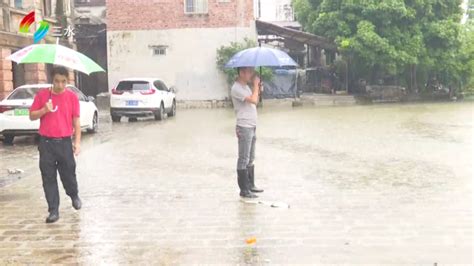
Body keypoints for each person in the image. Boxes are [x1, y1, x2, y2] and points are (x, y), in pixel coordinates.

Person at [29, 66, 82, 223]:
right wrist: (44, 110)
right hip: (46, 144)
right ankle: (53, 210)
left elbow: (76, 121)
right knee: (48, 177)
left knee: (69, 175)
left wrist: (77, 142)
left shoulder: (72, 97)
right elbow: (31, 116)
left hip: (65, 142)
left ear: (67, 81)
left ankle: (74, 195)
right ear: (52, 80)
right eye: (57, 81)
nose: (60, 85)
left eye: (63, 82)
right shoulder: (42, 96)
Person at [231, 67, 264, 198]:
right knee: (243, 158)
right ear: (241, 73)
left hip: (252, 125)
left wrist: (258, 89)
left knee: (251, 157)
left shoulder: (246, 87)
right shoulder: (236, 88)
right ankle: (244, 189)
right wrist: (256, 85)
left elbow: (255, 100)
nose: (251, 74)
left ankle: (250, 185)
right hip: (244, 126)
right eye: (249, 72)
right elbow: (254, 100)